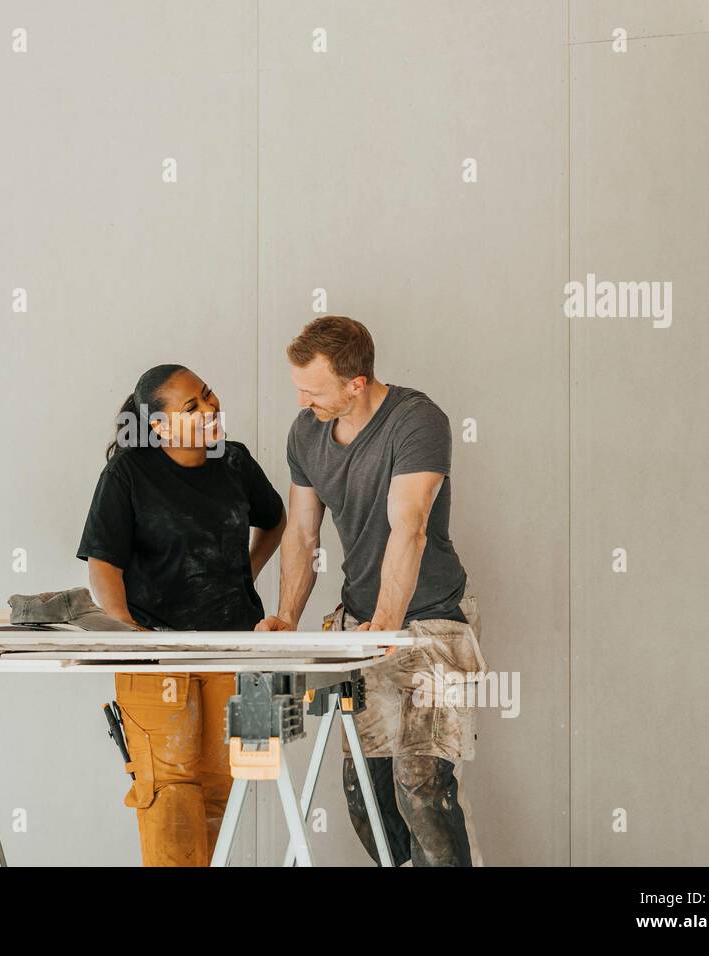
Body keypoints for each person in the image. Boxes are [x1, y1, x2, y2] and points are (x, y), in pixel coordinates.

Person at [256, 316, 487, 867]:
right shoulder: (306, 431)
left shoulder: (416, 421)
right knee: (366, 794)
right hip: (361, 624)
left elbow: (409, 523)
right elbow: (302, 531)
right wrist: (287, 616)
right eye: (298, 385)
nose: (301, 397)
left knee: (422, 785)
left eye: (313, 389)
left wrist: (387, 622)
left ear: (356, 383)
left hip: (430, 622)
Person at [77, 363, 286, 866]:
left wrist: (245, 574)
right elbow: (103, 564)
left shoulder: (234, 460)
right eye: (191, 406)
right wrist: (128, 632)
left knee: (226, 789)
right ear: (159, 426)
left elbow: (276, 520)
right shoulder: (129, 472)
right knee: (169, 792)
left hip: (237, 651)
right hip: (157, 654)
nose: (210, 408)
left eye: (208, 394)